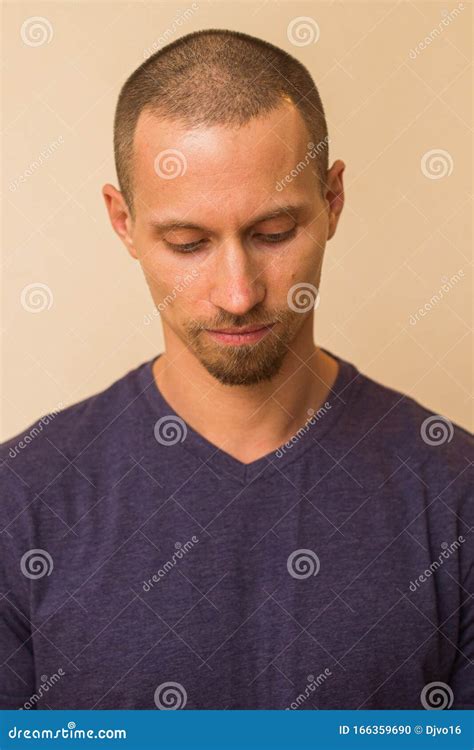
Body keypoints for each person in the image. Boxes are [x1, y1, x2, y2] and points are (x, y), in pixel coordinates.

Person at [1, 29, 472, 711]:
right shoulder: (21, 506)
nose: (238, 292)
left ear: (333, 201)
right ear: (123, 222)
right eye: (188, 243)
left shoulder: (456, 497)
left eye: (274, 233)